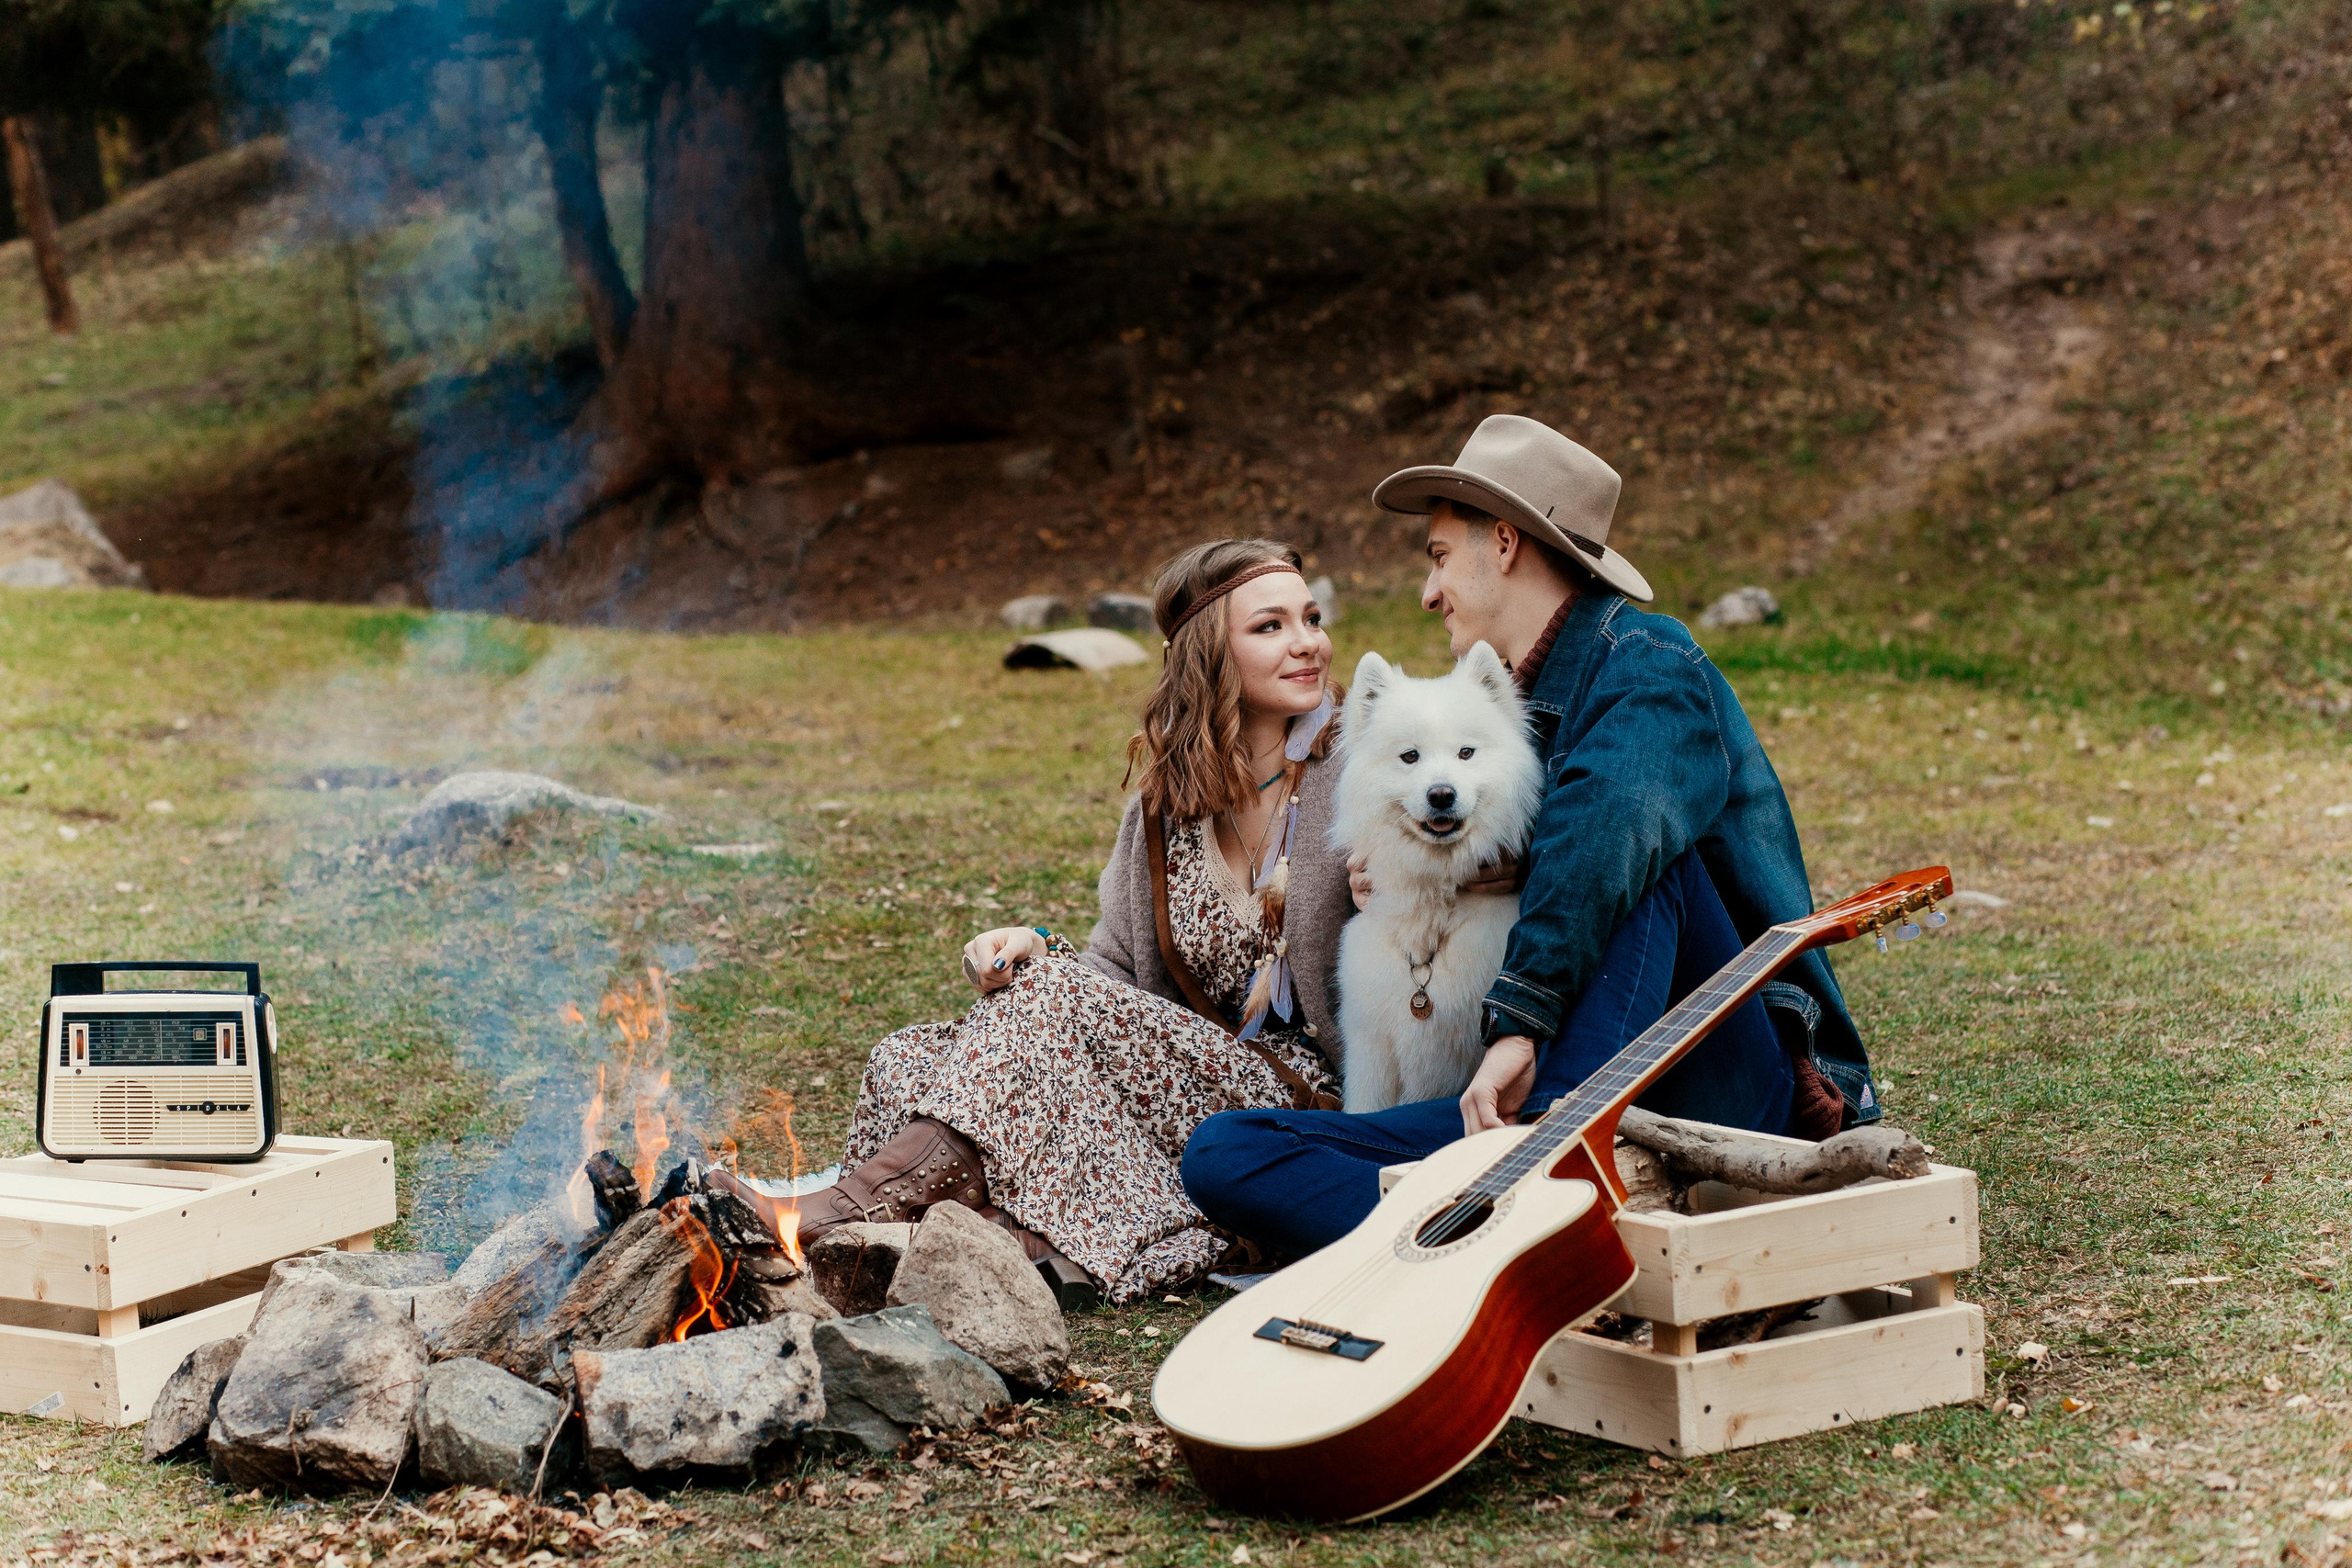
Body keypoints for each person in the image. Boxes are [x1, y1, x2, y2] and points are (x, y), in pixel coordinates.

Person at [1182, 414, 1881, 1259]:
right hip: (1534, 1098)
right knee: (1225, 1152)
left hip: (1714, 1085)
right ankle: (1476, 1234)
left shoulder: (1648, 660)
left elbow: (1610, 833)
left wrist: (1517, 1024)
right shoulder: (1505, 711)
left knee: (1640, 854)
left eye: (1440, 556)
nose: (1429, 591)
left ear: (1506, 544)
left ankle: (1543, 1164)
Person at [797, 539, 1357, 1305]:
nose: (1308, 643)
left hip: (1297, 1101)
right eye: (1271, 626)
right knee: (908, 1057)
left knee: (1039, 1005)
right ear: (1209, 654)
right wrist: (1034, 947)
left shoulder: (1367, 765)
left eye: (1311, 619)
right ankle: (965, 1242)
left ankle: (854, 1212)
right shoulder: (1166, 806)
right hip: (1177, 1086)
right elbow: (1114, 981)